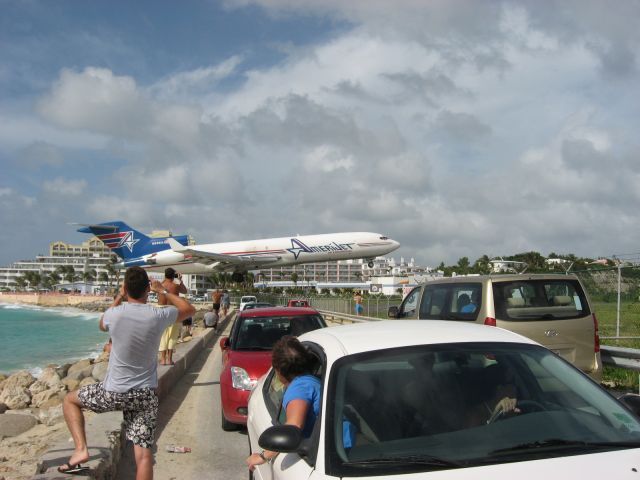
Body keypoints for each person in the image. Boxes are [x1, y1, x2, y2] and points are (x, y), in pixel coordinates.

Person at [59, 266, 195, 479]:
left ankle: (81, 450)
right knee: (143, 456)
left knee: (70, 401)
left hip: (113, 393)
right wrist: (164, 291)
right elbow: (189, 309)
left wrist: (119, 297)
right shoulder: (157, 315)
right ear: (147, 289)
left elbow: (102, 325)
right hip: (144, 395)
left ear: (125, 288)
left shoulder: (115, 314)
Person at [246, 336, 320, 471]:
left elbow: (294, 427)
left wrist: (263, 456)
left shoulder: (299, 388)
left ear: (278, 370)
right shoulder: (312, 381)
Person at [158, 268, 187, 365]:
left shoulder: (160, 285)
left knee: (163, 335)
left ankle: (162, 359)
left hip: (161, 310)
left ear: (165, 275)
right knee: (172, 336)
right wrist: (180, 280)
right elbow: (185, 291)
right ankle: (169, 359)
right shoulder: (176, 286)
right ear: (173, 276)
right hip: (173, 310)